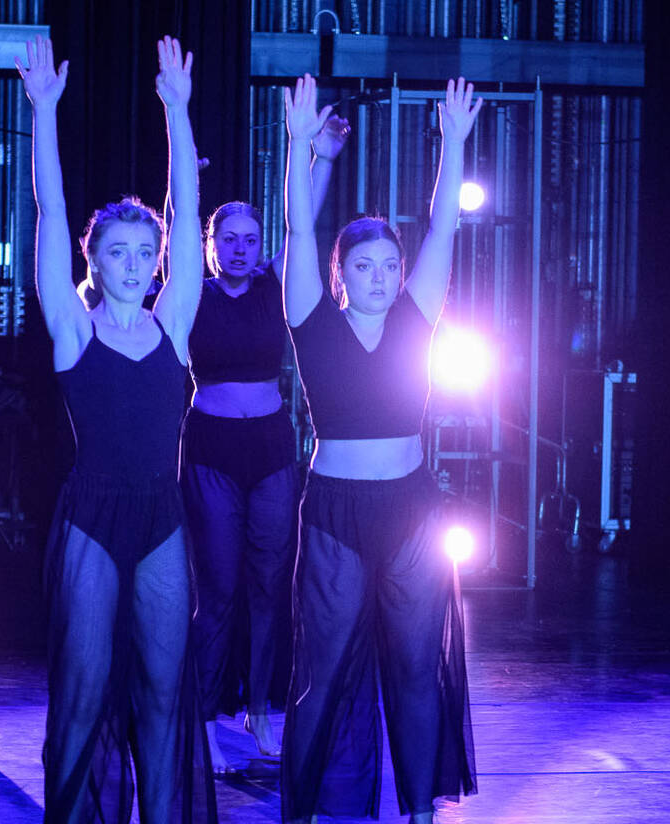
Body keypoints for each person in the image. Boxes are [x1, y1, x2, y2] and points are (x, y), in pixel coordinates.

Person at [19, 35, 216, 823]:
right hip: (91, 519)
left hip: (162, 516)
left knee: (165, 694)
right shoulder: (74, 327)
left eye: (146, 251)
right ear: (92, 260)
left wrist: (178, 110)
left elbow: (190, 210)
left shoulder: (174, 323)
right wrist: (42, 115)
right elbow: (50, 207)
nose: (133, 263)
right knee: (83, 692)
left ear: (160, 259)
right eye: (117, 252)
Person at [276, 74, 481, 824]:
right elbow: (298, 231)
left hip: (411, 506)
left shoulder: (415, 316)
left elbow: (443, 231)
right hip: (333, 509)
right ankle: (300, 809)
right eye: (363, 266)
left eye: (388, 267)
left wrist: (453, 145)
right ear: (340, 274)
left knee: (414, 665)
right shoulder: (311, 317)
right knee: (323, 669)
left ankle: (421, 809)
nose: (379, 276)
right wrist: (298, 146)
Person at [182, 115, 349, 773]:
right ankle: (203, 718)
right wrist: (185, 180)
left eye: (252, 238)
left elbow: (301, 224)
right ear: (211, 244)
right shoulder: (189, 292)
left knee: (270, 584)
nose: (244, 248)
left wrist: (322, 157)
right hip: (211, 448)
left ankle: (259, 710)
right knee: (218, 588)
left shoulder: (278, 286)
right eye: (231, 238)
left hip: (274, 448)